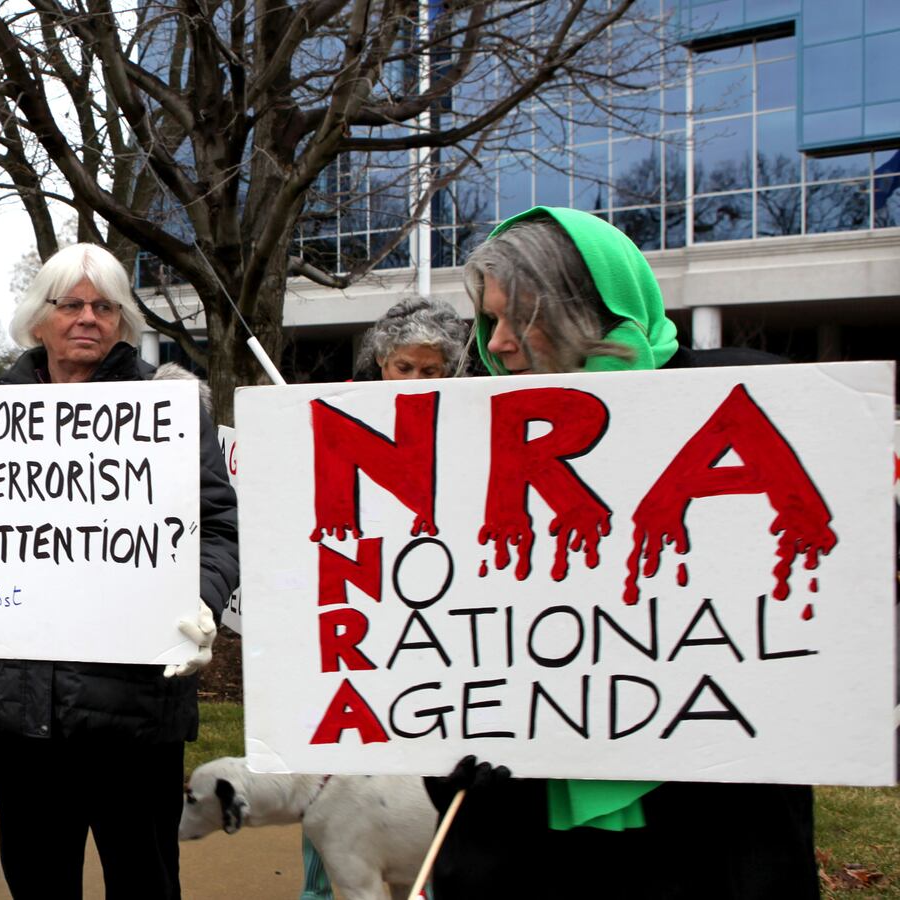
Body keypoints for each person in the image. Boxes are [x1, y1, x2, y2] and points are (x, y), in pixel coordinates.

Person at [423, 206, 814, 900]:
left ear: (591, 310)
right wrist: (445, 745)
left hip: (707, 823)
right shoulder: (458, 440)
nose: (501, 343)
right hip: (523, 827)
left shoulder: (751, 405)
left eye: (522, 318)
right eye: (490, 321)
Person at [0, 243, 239, 899]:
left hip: (133, 706)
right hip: (18, 712)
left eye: (105, 306)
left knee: (145, 878)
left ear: (122, 321)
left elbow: (218, 526)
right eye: (70, 304)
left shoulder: (170, 411)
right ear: (36, 320)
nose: (88, 317)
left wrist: (204, 603)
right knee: (39, 880)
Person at [296, 294, 471, 900]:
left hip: (437, 642)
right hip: (354, 637)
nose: (417, 381)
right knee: (336, 791)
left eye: (431, 370)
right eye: (404, 368)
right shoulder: (334, 425)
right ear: (380, 365)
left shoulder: (475, 433)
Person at [352, 295, 468, 382]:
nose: (414, 380)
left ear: (446, 372)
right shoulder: (345, 403)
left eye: (429, 372)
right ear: (381, 358)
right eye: (403, 368)